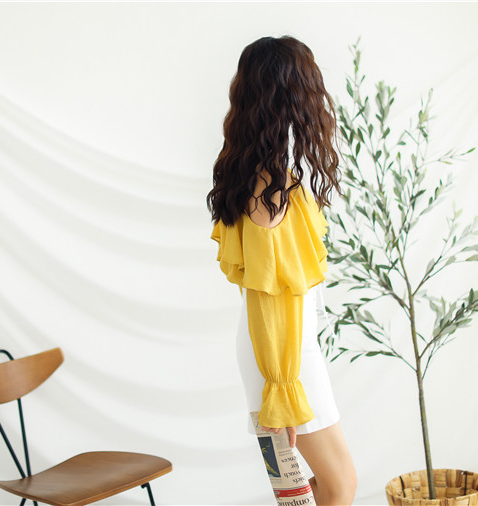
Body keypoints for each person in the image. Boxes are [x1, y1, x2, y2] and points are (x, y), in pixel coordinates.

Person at [206, 35, 358, 505]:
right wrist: (282, 389)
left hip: (282, 349)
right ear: (292, 95)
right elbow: (268, 298)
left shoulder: (256, 176)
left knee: (310, 491)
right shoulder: (270, 190)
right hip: (283, 356)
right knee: (339, 485)